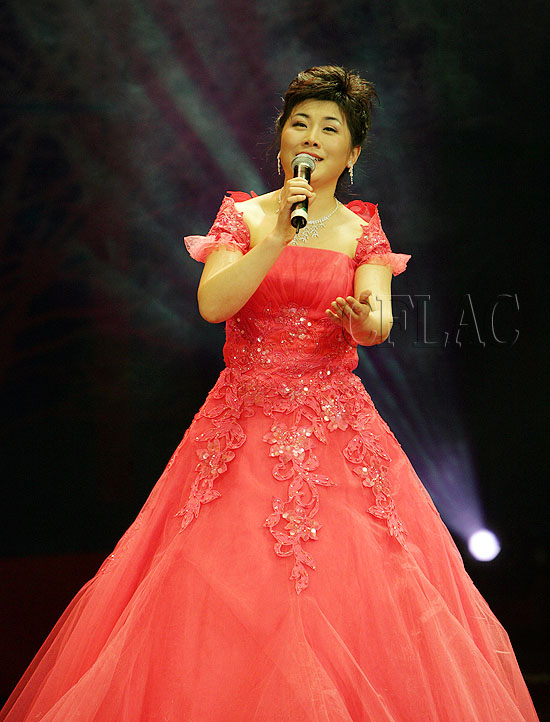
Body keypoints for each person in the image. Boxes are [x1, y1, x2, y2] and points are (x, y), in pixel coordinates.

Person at [0, 66, 538, 722]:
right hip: (243, 427)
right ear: (281, 138)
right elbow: (214, 303)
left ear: (353, 153)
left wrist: (360, 320)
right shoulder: (244, 216)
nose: (311, 137)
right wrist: (276, 237)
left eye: (329, 128)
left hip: (337, 435)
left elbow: (379, 320)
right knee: (224, 590)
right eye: (300, 123)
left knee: (361, 591)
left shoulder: (363, 231)